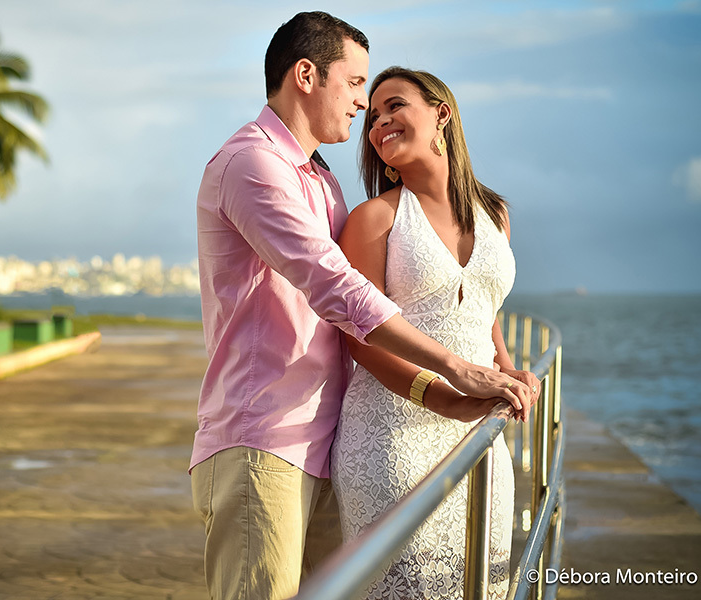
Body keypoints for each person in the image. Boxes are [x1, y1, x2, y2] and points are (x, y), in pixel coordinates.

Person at [191, 14, 533, 600]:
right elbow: (335, 289)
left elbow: (472, 302)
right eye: (355, 86)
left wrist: (495, 364)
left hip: (322, 437)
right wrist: (453, 370)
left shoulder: (321, 181)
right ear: (306, 75)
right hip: (264, 436)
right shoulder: (253, 164)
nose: (361, 107)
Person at [331, 67, 541, 599]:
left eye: (394, 107)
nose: (379, 124)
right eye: (372, 117)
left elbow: (483, 304)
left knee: (482, 582)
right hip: (393, 437)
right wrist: (447, 399)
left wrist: (507, 365)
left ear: (441, 114)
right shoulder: (373, 219)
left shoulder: (495, 213)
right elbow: (359, 339)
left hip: (479, 431)